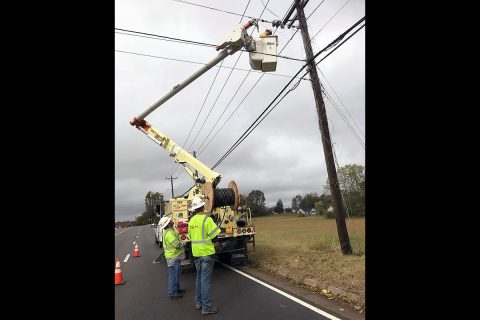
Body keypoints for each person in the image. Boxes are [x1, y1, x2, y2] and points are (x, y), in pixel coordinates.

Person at [187, 197, 221, 316]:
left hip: (196, 254)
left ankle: (198, 303)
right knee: (205, 281)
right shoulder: (207, 219)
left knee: (199, 279)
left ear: (194, 209)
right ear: (203, 207)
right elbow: (215, 237)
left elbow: (191, 236)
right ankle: (206, 307)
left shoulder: (191, 221)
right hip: (206, 253)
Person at [158, 216, 186, 299]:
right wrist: (184, 243)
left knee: (175, 274)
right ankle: (172, 292)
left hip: (173, 256)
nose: (171, 221)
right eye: (170, 221)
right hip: (173, 257)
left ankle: (176, 289)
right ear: (168, 223)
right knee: (173, 275)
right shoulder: (169, 233)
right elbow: (176, 244)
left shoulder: (168, 231)